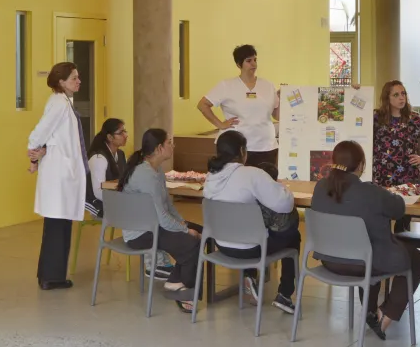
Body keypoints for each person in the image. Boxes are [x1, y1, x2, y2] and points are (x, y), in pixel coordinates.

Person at [308, 141, 420, 339]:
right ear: (361, 165)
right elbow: (398, 210)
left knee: (372, 250)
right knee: (415, 258)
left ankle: (370, 312)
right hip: (364, 263)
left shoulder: (320, 187)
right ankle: (387, 314)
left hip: (330, 260)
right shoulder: (371, 192)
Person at [202, 129, 301, 314]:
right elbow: (285, 204)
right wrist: (281, 187)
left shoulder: (210, 177)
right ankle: (284, 294)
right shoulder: (253, 174)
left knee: (249, 227)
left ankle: (250, 276)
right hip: (250, 249)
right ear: (242, 151)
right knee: (293, 234)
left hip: (221, 245)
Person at [119, 128, 203, 312]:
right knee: (191, 241)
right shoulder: (146, 175)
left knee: (202, 233)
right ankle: (183, 290)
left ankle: (175, 281)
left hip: (154, 225)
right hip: (141, 233)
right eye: (169, 143)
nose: (173, 145)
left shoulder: (156, 171)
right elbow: (163, 219)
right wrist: (185, 230)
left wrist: (183, 223)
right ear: (158, 148)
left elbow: (168, 206)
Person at [27, 62, 86, 290]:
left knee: (58, 225)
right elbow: (40, 132)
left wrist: (41, 151)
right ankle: (52, 277)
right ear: (61, 82)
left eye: (78, 77)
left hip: (62, 171)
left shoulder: (63, 102)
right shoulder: (60, 104)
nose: (79, 81)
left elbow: (56, 138)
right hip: (60, 175)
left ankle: (50, 275)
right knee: (58, 225)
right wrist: (34, 151)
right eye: (74, 78)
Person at [198, 45, 280, 179]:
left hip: (266, 145)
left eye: (255, 60)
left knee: (264, 184)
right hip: (237, 148)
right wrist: (219, 124)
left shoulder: (268, 85)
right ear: (238, 64)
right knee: (237, 184)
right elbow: (203, 105)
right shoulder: (226, 85)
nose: (253, 64)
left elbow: (276, 115)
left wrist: (288, 101)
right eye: (249, 61)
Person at [371, 80, 420, 188]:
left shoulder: (415, 119)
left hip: (408, 176)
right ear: (387, 98)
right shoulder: (377, 119)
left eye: (403, 93)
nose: (401, 97)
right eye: (396, 95)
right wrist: (356, 92)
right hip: (382, 176)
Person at [84, 118, 129, 218]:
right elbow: (98, 192)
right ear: (110, 137)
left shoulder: (121, 155)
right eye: (121, 133)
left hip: (116, 200)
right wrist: (123, 200)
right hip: (99, 205)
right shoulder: (98, 158)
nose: (126, 135)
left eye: (125, 131)